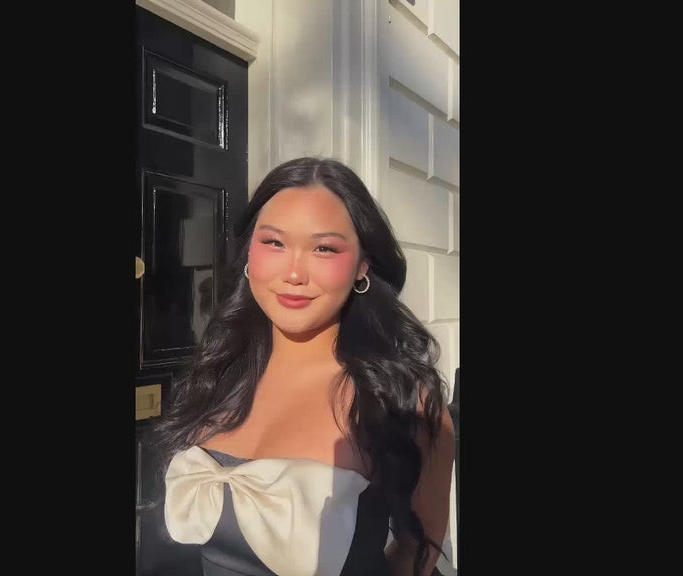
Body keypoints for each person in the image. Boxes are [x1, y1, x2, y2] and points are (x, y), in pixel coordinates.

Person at [146, 157, 454, 576]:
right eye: (274, 242)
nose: (294, 273)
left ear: (363, 264)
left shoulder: (402, 402)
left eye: (324, 248)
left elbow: (416, 555)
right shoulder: (215, 374)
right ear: (249, 252)